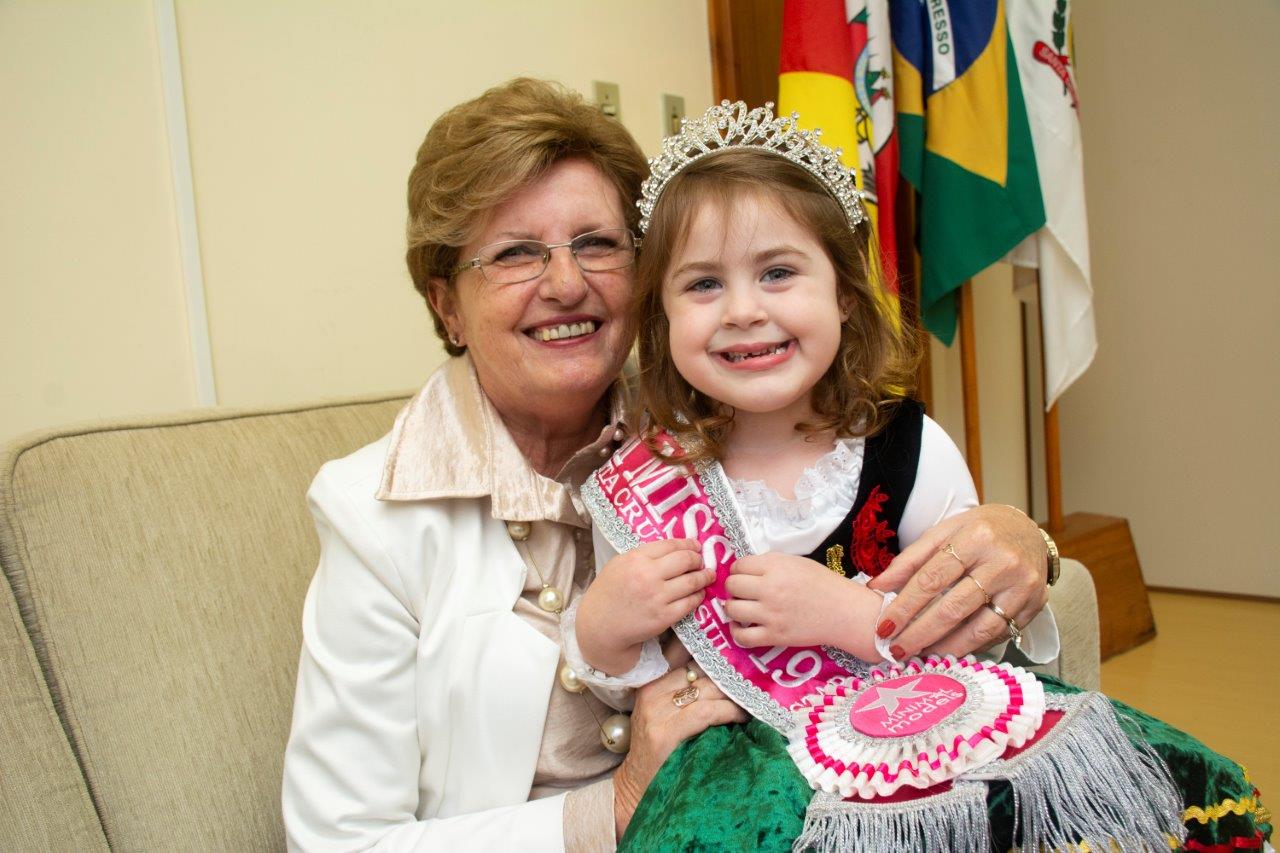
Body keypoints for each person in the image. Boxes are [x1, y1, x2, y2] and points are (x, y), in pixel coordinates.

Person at [281, 79, 1061, 852]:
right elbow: (342, 842)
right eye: (517, 253)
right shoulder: (370, 517)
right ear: (446, 303)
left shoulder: (722, 409)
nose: (564, 283)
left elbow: (918, 537)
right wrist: (618, 801)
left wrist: (1020, 541)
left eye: (595, 244)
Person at [569, 101, 1269, 853]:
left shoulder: (910, 449)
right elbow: (629, 686)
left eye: (778, 271)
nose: (743, 310)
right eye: (702, 285)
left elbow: (981, 634)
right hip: (745, 782)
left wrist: (851, 619)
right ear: (662, 317)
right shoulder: (651, 481)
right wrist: (602, 631)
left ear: (843, 291)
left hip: (933, 740)